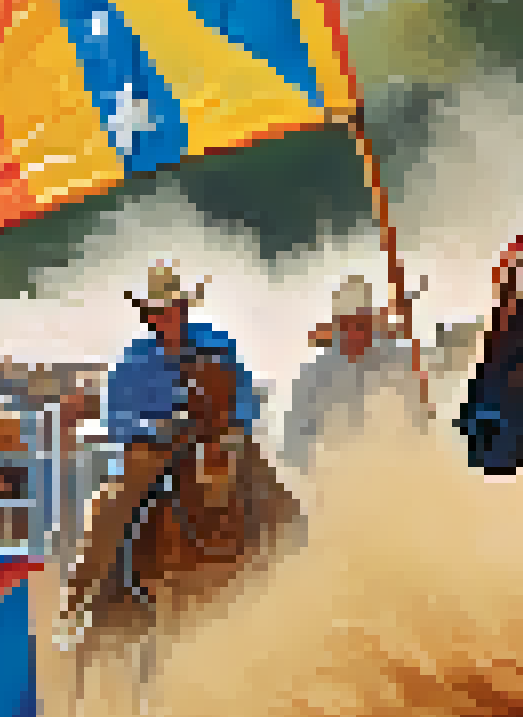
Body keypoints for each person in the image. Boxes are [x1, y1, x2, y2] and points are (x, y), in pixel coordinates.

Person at [57, 264, 264, 637]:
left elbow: (245, 393)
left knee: (266, 485)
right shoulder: (135, 359)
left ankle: (295, 560)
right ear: (148, 316)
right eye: (157, 312)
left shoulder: (217, 344)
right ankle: (80, 601)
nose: (165, 317)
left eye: (171, 309)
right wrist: (155, 429)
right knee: (116, 500)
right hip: (155, 448)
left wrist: (237, 423)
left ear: (183, 310)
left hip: (215, 436)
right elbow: (116, 418)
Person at [282, 274, 424, 483]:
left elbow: (419, 423)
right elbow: (295, 440)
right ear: (337, 327)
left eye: (360, 325)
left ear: (371, 323)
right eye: (346, 326)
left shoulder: (400, 362)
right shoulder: (315, 375)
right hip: (334, 478)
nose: (354, 335)